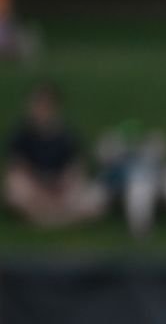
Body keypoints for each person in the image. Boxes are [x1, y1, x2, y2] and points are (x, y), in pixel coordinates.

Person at [3, 82, 107, 228]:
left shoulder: (67, 135)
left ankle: (47, 218)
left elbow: (76, 166)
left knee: (94, 198)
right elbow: (18, 167)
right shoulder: (21, 135)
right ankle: (60, 217)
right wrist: (40, 186)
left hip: (61, 188)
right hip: (35, 187)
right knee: (15, 187)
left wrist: (63, 182)